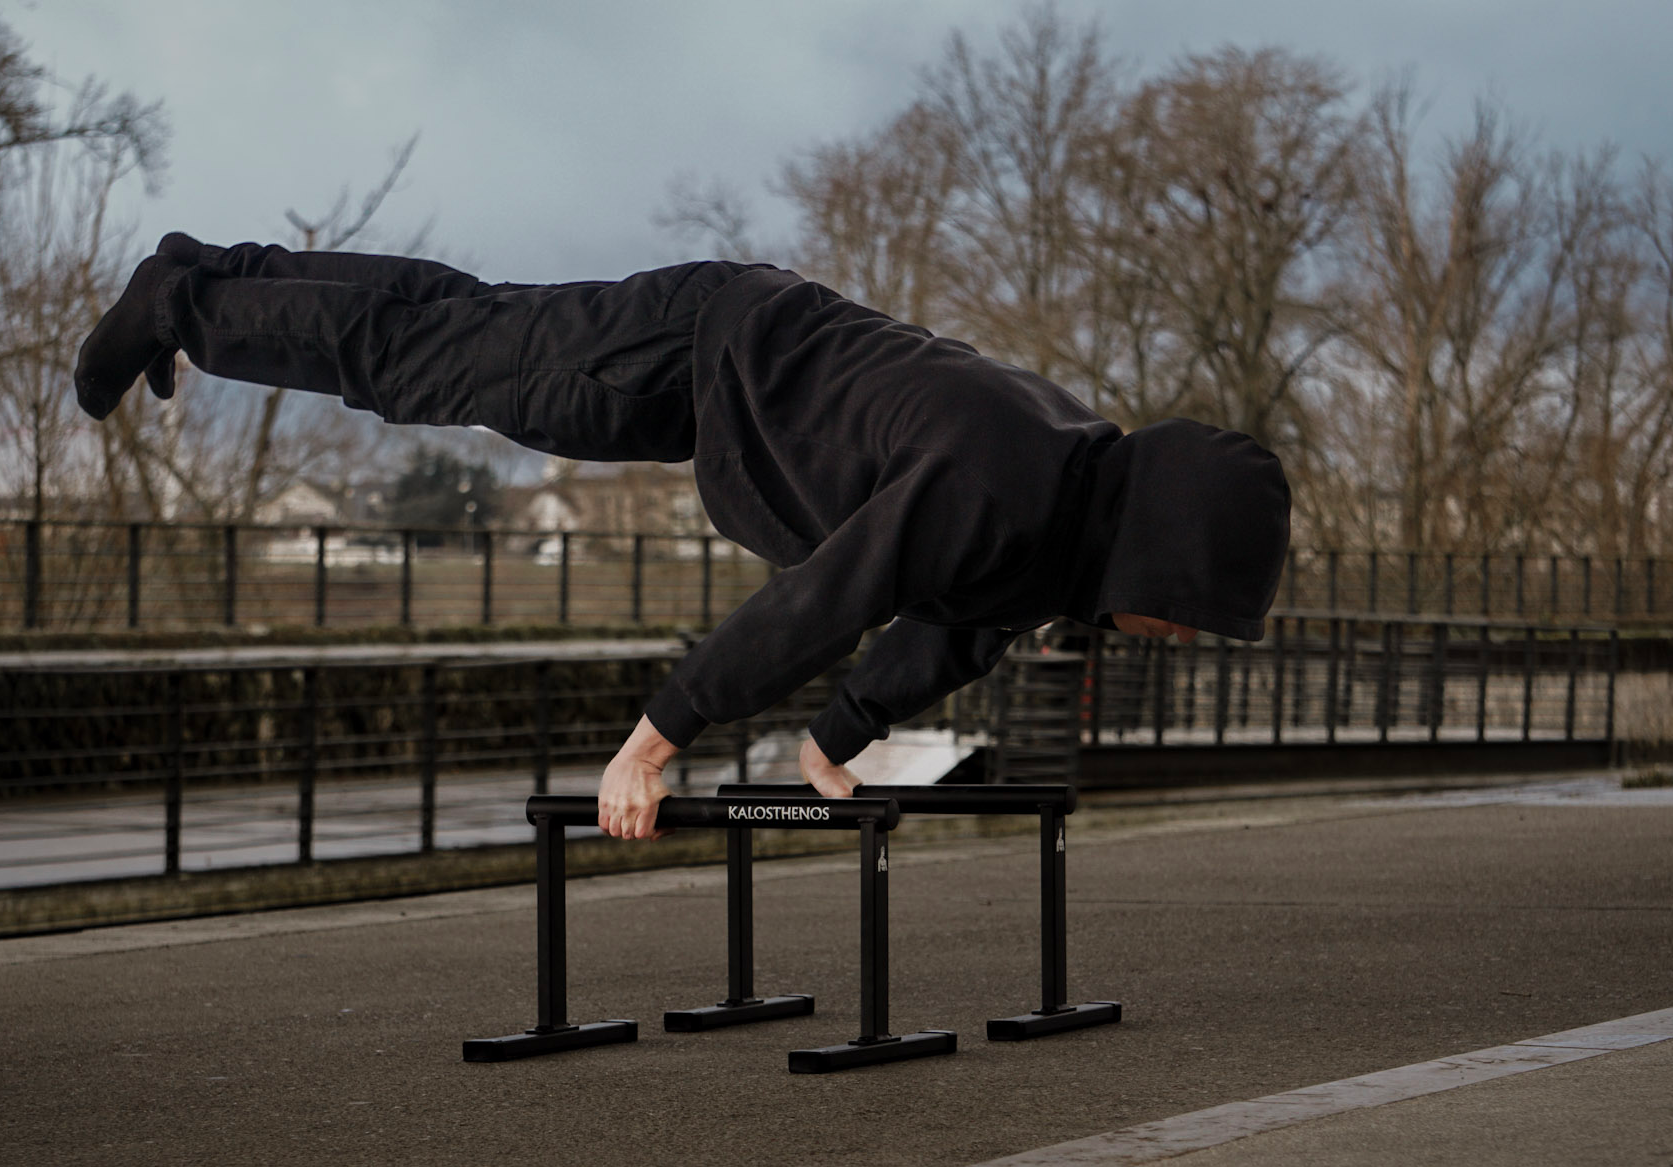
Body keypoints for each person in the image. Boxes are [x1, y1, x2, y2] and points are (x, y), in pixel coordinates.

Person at [73, 236, 1292, 838]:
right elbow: (824, 599)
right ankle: (183, 299)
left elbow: (959, 626)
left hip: (731, 371)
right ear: (1165, 552)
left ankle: (206, 280)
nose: (1175, 634)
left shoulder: (1062, 514)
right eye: (1188, 610)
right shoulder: (1002, 483)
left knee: (454, 327)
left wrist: (838, 740)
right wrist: (655, 743)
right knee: (428, 356)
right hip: (696, 348)